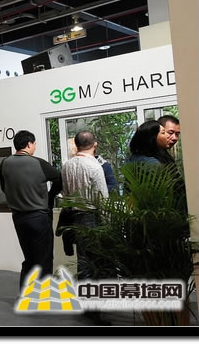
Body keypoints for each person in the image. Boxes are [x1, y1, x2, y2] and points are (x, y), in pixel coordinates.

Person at [0, 130, 63, 291]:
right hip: (39, 217)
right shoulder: (39, 163)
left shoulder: (5, 163)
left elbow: (3, 187)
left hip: (18, 218)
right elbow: (59, 179)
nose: (34, 147)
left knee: (29, 258)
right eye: (34, 144)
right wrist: (50, 196)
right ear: (29, 144)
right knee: (44, 259)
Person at [60, 131, 110, 325]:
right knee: (95, 264)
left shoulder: (67, 165)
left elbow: (65, 193)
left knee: (83, 262)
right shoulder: (95, 166)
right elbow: (102, 199)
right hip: (92, 217)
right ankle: (94, 309)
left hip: (76, 217)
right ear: (94, 145)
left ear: (77, 144)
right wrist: (107, 224)